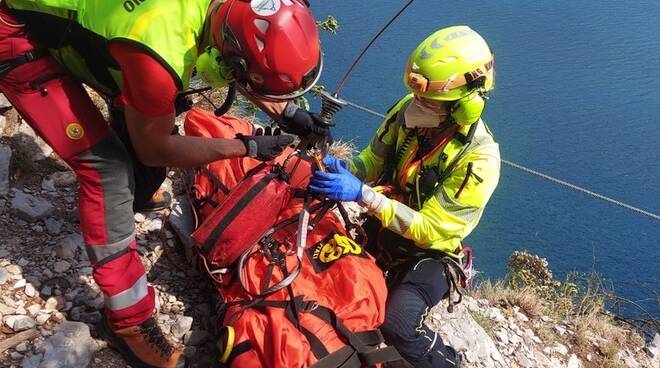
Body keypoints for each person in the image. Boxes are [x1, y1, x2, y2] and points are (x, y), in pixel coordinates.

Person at [0, 0, 327, 367]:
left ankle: (131, 193)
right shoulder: (157, 51)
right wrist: (245, 146)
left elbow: (220, 60)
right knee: (108, 171)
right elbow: (155, 148)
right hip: (13, 30)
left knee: (143, 124)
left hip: (86, 24)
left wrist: (287, 112)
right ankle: (129, 322)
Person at [309, 26, 501, 367]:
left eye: (430, 100)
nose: (418, 104)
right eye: (418, 97)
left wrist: (364, 196)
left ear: (467, 103)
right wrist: (346, 170)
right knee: (319, 272)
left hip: (429, 256)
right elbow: (373, 161)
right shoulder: (409, 113)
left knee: (398, 323)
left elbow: (431, 230)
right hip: (383, 231)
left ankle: (447, 361)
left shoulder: (479, 160)